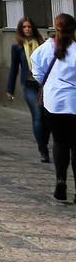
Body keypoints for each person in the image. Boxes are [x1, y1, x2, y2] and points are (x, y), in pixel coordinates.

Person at [31, 13, 76, 203]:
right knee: (75, 146)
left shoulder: (44, 48)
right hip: (73, 103)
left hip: (53, 102)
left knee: (59, 142)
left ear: (55, 28)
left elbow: (37, 72)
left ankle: (60, 180)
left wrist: (50, 86)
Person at [6, 16, 51, 162]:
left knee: (46, 117)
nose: (27, 29)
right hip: (29, 85)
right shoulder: (17, 47)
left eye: (29, 27)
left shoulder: (42, 44)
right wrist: (10, 89)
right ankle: (43, 149)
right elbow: (14, 69)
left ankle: (44, 141)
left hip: (44, 85)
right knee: (37, 115)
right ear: (20, 29)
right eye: (24, 27)